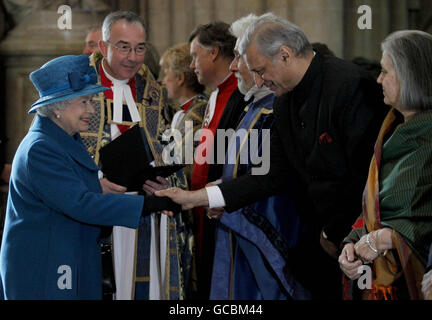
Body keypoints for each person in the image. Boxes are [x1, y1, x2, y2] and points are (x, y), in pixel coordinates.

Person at [157, 13, 388, 299]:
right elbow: (272, 175)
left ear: (286, 55)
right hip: (317, 241)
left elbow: (367, 174)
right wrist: (195, 198)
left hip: (359, 237)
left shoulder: (350, 86)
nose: (257, 80)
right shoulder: (283, 99)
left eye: (261, 70)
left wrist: (335, 232)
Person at [0, 54, 178, 299]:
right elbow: (80, 204)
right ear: (58, 107)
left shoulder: (62, 137)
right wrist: (151, 204)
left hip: (68, 256)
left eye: (91, 101)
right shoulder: (40, 148)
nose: (91, 110)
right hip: (46, 267)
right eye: (84, 102)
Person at [80, 11, 183, 300]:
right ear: (103, 47)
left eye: (140, 48)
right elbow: (57, 152)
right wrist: (91, 181)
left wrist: (165, 180)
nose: (133, 57)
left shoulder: (152, 89)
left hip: (143, 211)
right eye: (123, 47)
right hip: (94, 207)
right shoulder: (79, 84)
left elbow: (164, 145)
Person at [208, 13, 307, 300]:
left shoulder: (276, 109)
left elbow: (275, 179)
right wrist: (222, 189)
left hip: (263, 230)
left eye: (240, 57)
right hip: (237, 227)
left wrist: (224, 197)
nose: (234, 66)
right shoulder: (252, 107)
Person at [338, 30, 432, 300]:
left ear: (409, 76)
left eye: (385, 72)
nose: (378, 79)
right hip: (377, 274)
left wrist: (383, 239)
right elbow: (376, 208)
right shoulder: (391, 130)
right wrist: (352, 242)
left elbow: (423, 222)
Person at [186, 21, 248, 299]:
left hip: (224, 211)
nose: (191, 65)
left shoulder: (241, 94)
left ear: (213, 53)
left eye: (195, 56)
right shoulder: (214, 95)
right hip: (204, 209)